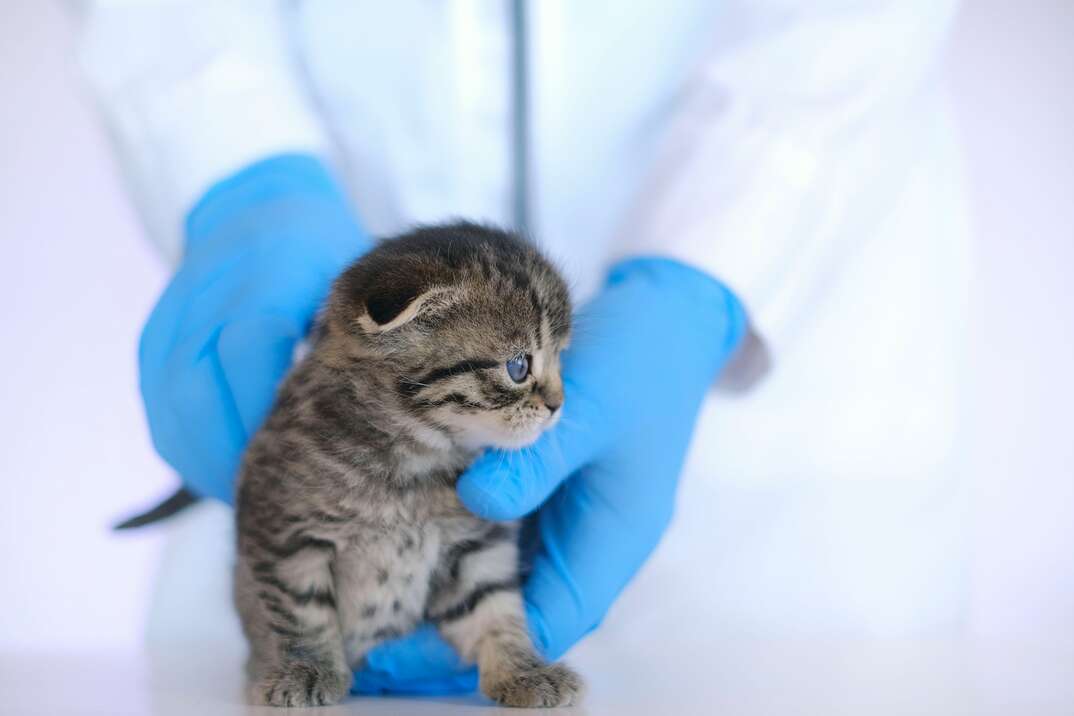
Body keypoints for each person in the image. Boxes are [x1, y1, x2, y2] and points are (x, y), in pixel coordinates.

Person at [78, 0, 970, 694]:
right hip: (355, 339)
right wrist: (238, 164)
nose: (554, 397)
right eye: (529, 374)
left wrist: (701, 275)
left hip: (776, 484)